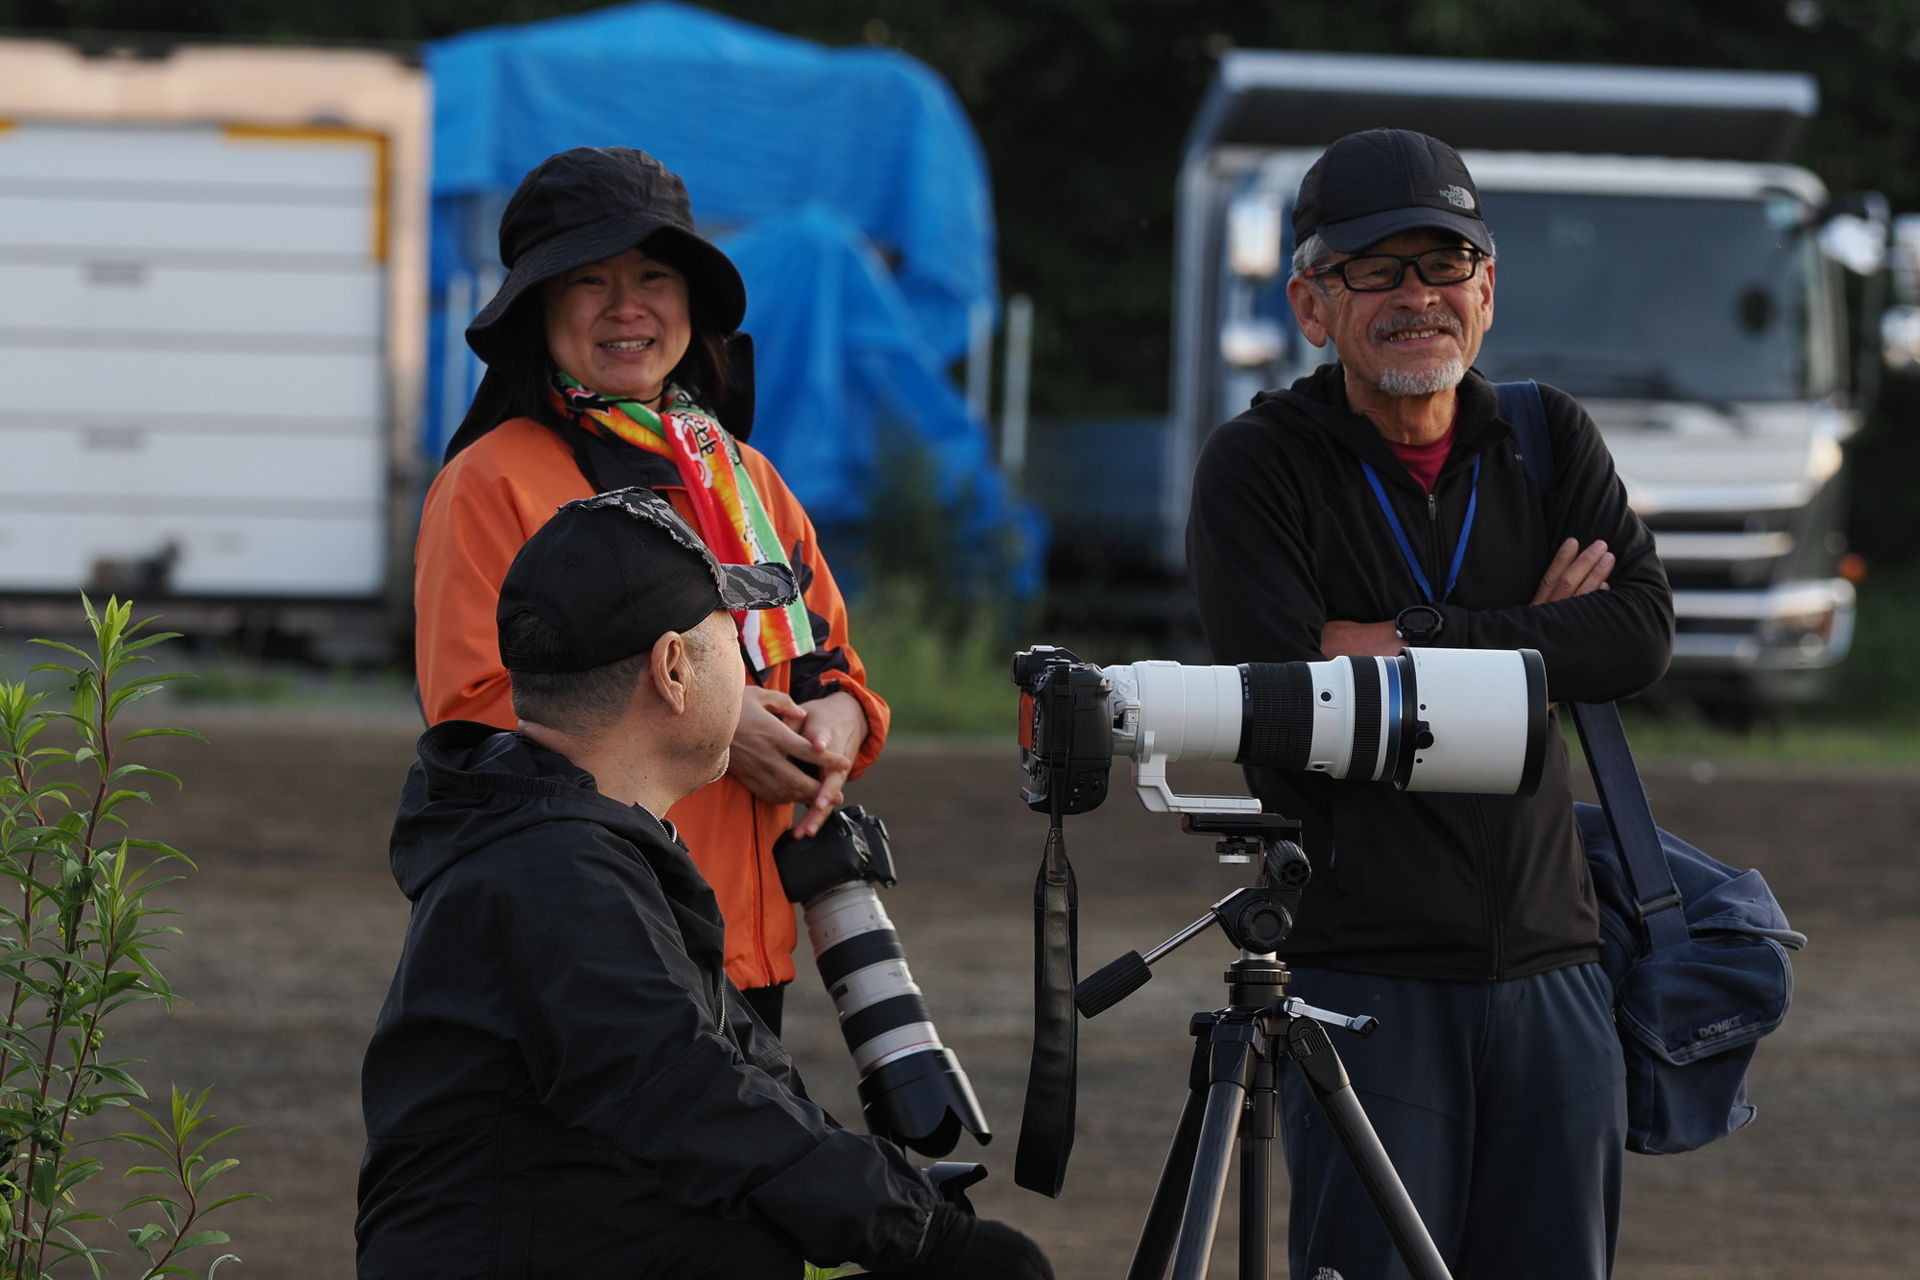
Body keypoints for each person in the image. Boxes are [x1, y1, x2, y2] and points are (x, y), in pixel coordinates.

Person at [1186, 129, 1675, 1280]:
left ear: (1487, 289)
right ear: (1312, 303)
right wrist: (1540, 644)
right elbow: (1285, 704)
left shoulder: (1547, 435)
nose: (1418, 298)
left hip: (1558, 966)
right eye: (1376, 270)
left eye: (1445, 265)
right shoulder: (1259, 465)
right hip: (1366, 974)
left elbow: (1639, 636)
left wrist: (1412, 640)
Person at [358, 487, 1052, 1280]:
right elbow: (691, 1092)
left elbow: (742, 1079)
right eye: (731, 631)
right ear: (674, 668)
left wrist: (895, 1198)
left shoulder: (573, 842)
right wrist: (928, 1239)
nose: (753, 665)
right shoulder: (556, 874)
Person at [415, 146, 883, 1032]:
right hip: (593, 945)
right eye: (588, 280)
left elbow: (826, 660)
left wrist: (841, 717)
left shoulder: (746, 476)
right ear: (540, 309)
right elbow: (473, 715)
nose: (627, 307)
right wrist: (709, 718)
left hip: (749, 952)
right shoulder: (491, 482)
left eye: (655, 275)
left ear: (690, 302)